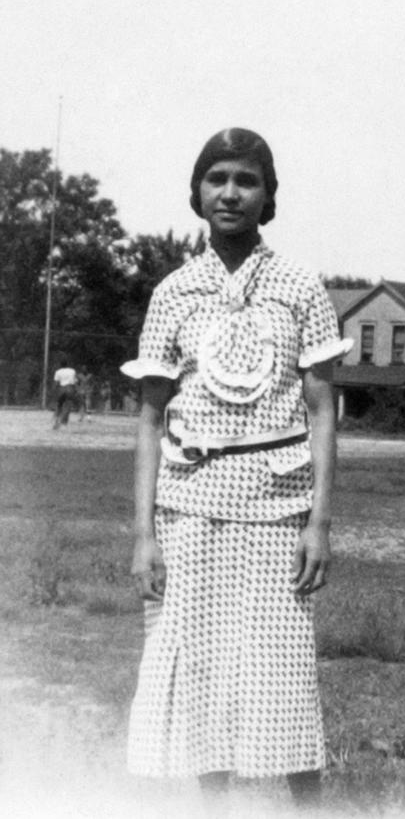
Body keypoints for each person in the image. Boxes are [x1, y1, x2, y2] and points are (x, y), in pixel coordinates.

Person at [121, 128, 353, 812]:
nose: (229, 192)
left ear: (267, 195)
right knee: (198, 674)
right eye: (216, 177)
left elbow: (320, 411)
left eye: (245, 180)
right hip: (187, 506)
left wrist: (319, 521)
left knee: (280, 677)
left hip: (279, 509)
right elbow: (147, 418)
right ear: (196, 191)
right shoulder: (173, 292)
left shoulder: (299, 288)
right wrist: (143, 534)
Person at [52, 358, 78, 429]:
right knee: (68, 405)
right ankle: (64, 422)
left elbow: (56, 383)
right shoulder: (72, 370)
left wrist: (54, 390)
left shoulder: (58, 372)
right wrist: (76, 390)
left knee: (59, 405)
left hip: (61, 389)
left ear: (60, 365)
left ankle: (56, 419)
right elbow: (75, 381)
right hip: (70, 388)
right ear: (67, 364)